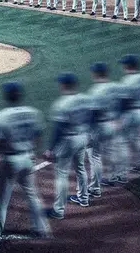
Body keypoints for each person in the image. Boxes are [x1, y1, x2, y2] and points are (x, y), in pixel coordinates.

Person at [0, 82, 49, 249]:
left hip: (9, 162)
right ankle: (41, 228)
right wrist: (34, 151)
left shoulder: (1, 116)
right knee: (32, 194)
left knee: (1, 203)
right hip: (27, 159)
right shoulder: (33, 113)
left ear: (7, 96)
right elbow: (39, 135)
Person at [44, 73, 92, 218]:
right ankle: (84, 198)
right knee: (80, 168)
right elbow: (91, 118)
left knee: (61, 175)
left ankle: (58, 211)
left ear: (64, 85)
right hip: (83, 138)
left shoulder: (62, 103)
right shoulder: (84, 99)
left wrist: (50, 149)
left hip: (68, 141)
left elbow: (58, 129)